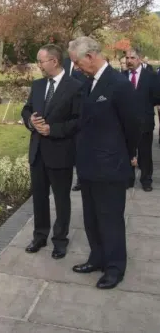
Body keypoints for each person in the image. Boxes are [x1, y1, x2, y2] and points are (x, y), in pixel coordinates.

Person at [68, 36, 140, 290]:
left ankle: (115, 267)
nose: (75, 66)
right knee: (91, 218)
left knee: (110, 220)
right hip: (88, 165)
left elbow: (133, 126)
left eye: (77, 61)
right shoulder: (88, 83)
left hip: (110, 166)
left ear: (90, 56)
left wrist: (125, 154)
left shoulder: (118, 84)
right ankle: (97, 258)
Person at [21, 44, 83, 260]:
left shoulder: (75, 86)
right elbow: (26, 109)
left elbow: (78, 120)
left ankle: (60, 240)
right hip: (37, 152)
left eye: (41, 61)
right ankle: (40, 236)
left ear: (54, 61)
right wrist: (30, 120)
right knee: (39, 198)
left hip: (60, 152)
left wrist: (52, 129)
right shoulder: (37, 85)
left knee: (61, 199)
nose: (38, 65)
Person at [123, 48, 160, 191]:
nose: (129, 61)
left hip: (145, 121)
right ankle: (129, 179)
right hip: (126, 123)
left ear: (139, 59)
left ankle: (146, 180)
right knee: (128, 151)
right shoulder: (122, 75)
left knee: (145, 152)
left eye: (132, 58)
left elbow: (156, 97)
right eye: (127, 58)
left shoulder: (150, 76)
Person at [63, 55, 87, 192]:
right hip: (65, 111)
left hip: (80, 110)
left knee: (80, 148)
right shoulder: (65, 63)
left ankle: (81, 179)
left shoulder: (83, 64)